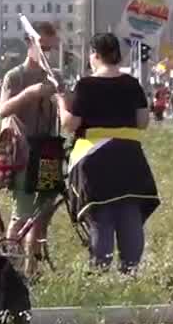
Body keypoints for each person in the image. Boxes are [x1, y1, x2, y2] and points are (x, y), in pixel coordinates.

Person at [58, 32, 160, 272]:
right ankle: (130, 271)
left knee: (101, 217)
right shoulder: (131, 83)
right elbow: (143, 121)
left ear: (94, 55)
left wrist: (61, 104)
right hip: (130, 158)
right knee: (130, 216)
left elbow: (70, 124)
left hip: (95, 159)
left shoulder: (87, 85)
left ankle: (100, 271)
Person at [0, 21, 64, 278]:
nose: (46, 54)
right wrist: (30, 94)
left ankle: (32, 269)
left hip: (49, 149)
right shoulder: (15, 76)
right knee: (23, 212)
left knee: (43, 213)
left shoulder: (55, 75)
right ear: (30, 43)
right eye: (42, 47)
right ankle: (10, 270)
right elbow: (3, 109)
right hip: (24, 151)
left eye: (50, 48)